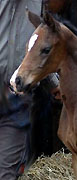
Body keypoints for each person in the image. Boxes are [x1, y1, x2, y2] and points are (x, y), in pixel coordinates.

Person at [0, 0, 59, 179]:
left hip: (15, 96)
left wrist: (53, 83)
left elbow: (37, 45)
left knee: (7, 172)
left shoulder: (37, 3)